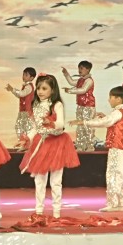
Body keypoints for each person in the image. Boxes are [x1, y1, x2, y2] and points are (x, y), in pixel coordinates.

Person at [20, 74, 77, 218]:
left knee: (56, 181)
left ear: (52, 90)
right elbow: (35, 127)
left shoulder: (57, 104)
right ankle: (39, 210)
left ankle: (56, 211)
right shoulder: (36, 105)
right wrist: (27, 138)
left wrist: (50, 122)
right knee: (39, 180)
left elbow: (60, 124)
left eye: (44, 88)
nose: (40, 91)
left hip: (56, 143)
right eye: (38, 88)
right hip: (42, 143)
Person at [81, 86, 123, 211]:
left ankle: (113, 203)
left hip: (117, 146)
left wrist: (85, 122)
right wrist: (105, 117)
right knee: (118, 173)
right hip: (120, 146)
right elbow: (110, 121)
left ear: (118, 99)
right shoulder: (122, 111)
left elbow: (105, 122)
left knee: (113, 173)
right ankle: (120, 202)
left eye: (111, 97)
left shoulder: (118, 112)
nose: (109, 100)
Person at [64, 61, 99, 152]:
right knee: (80, 126)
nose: (79, 70)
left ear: (88, 69)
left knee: (88, 126)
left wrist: (70, 91)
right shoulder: (80, 80)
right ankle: (80, 145)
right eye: (79, 68)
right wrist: (66, 74)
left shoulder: (89, 80)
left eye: (82, 68)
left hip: (88, 106)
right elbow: (72, 82)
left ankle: (90, 146)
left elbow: (83, 90)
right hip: (80, 106)